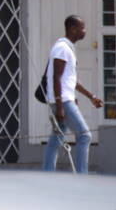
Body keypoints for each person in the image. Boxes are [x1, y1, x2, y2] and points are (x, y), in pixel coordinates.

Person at [42, 15, 104, 174]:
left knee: (57, 138)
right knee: (84, 136)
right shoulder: (62, 48)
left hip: (63, 99)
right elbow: (56, 77)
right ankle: (82, 176)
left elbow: (70, 80)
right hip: (62, 101)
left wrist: (91, 96)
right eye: (82, 28)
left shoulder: (67, 47)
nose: (84, 31)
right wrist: (60, 106)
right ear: (72, 29)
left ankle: (47, 174)